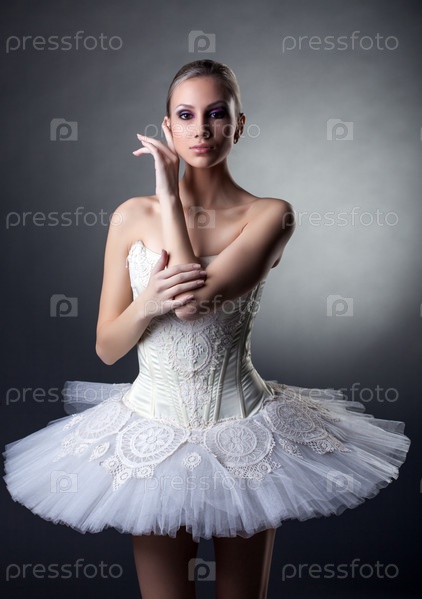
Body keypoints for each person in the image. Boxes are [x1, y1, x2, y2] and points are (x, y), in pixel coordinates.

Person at [4, 60, 410, 599]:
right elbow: (107, 347)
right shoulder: (129, 217)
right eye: (186, 115)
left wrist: (171, 196)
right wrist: (147, 303)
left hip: (246, 431)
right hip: (150, 430)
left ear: (239, 125)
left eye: (217, 114)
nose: (201, 129)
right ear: (167, 127)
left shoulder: (271, 215)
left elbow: (195, 304)